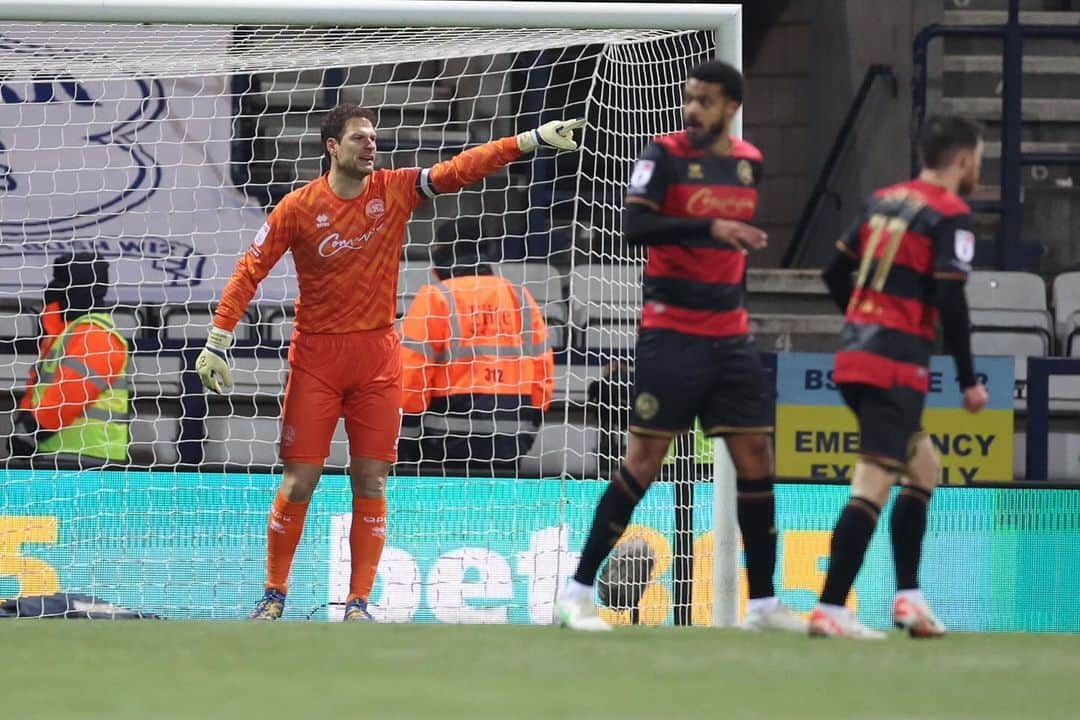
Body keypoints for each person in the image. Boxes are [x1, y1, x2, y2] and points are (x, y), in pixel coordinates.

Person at [195, 103, 584, 621]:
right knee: (299, 481)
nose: (371, 145)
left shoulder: (394, 190)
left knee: (372, 481)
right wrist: (217, 338)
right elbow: (249, 270)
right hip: (316, 358)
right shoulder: (297, 207)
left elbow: (459, 169)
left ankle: (358, 603)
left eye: (374, 137)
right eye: (359, 138)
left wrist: (530, 139)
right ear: (332, 147)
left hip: (378, 360)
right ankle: (274, 593)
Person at [554, 61, 805, 633]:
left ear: (732, 107)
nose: (692, 109)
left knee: (756, 461)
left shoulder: (750, 164)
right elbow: (635, 229)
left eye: (706, 101)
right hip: (673, 335)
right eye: (689, 99)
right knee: (644, 461)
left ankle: (763, 605)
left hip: (730, 336)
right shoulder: (660, 157)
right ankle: (576, 593)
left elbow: (732, 255)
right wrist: (710, 228)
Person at [810, 115, 989, 639]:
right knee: (873, 480)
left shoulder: (883, 200)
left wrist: (864, 319)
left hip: (855, 357)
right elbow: (952, 301)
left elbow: (832, 274)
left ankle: (908, 599)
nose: (978, 168)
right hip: (895, 363)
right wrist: (969, 379)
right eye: (978, 159)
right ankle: (831, 607)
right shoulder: (951, 214)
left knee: (923, 464)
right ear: (963, 160)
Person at [398, 238, 554, 470]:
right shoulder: (519, 297)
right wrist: (530, 425)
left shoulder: (436, 296)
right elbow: (543, 368)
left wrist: (406, 440)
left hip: (444, 437)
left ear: (440, 263)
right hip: (510, 435)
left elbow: (412, 372)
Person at [10, 253, 129, 468]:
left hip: (88, 458)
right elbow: (41, 389)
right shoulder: (68, 334)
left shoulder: (95, 334)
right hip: (63, 454)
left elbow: (70, 395)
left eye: (63, 282)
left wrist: (29, 430)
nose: (54, 288)